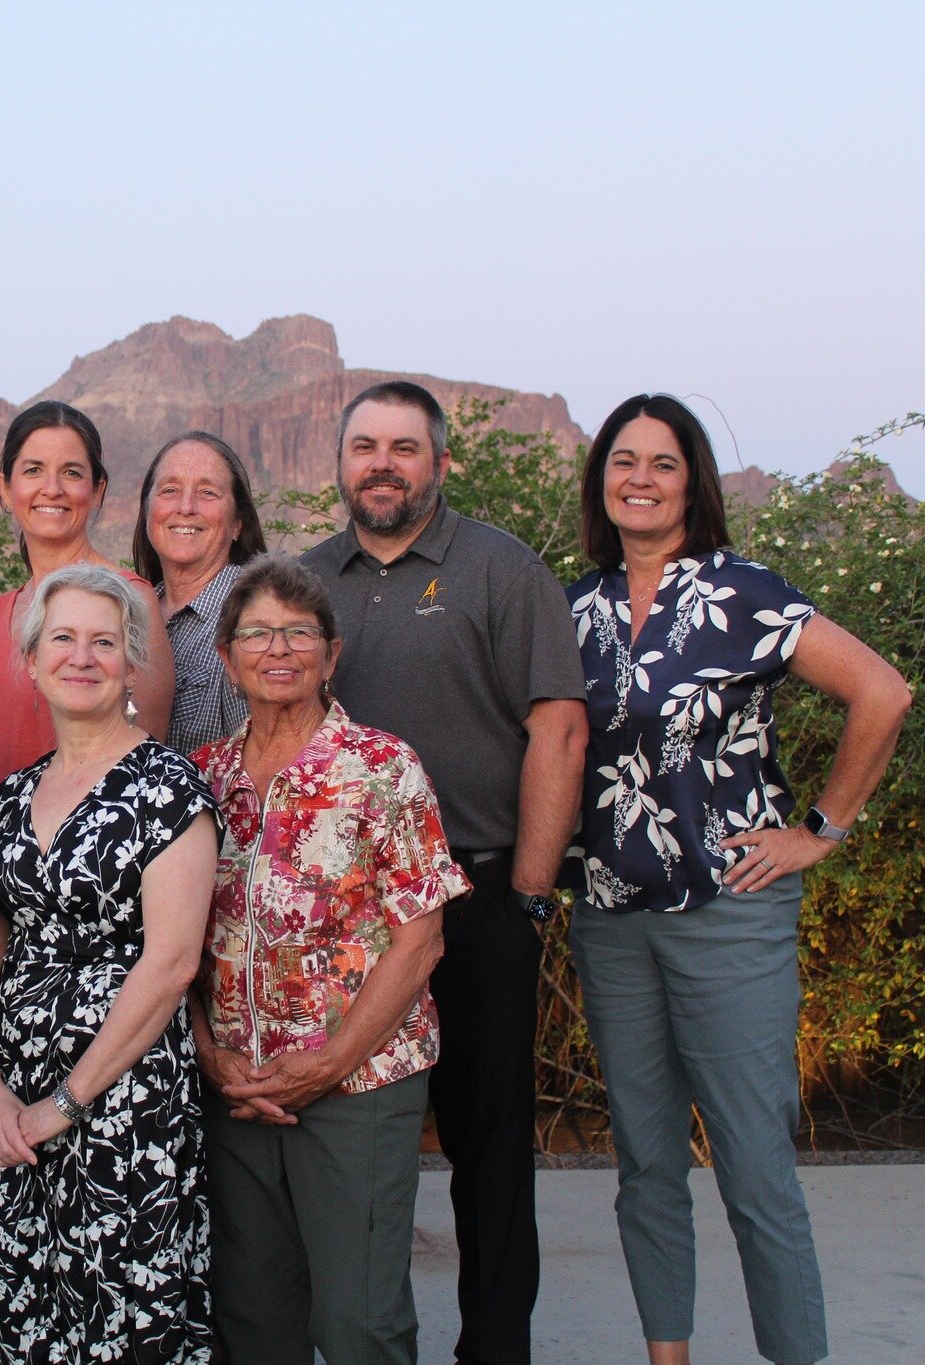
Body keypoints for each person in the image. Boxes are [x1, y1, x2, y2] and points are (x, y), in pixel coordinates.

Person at [564, 395, 910, 1365]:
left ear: (692, 483)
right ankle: (664, 1357)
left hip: (727, 915)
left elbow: (879, 692)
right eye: (621, 460)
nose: (638, 478)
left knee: (754, 1169)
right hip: (608, 917)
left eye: (661, 463)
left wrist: (818, 832)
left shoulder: (738, 594)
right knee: (643, 1166)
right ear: (598, 480)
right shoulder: (572, 611)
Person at [298, 381, 587, 1365]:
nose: (382, 463)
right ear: (338, 463)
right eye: (363, 446)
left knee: (488, 1147)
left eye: (403, 447)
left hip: (474, 896)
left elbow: (556, 725)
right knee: (345, 1142)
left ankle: (494, 1349)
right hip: (338, 924)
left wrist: (526, 900)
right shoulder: (303, 584)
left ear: (439, 464)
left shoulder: (499, 569)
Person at [189, 554, 470, 1365]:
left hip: (360, 1084)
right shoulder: (206, 777)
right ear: (226, 655)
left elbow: (423, 936)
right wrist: (211, 1056)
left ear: (332, 652)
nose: (279, 649)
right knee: (253, 1318)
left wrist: (334, 1060)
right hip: (237, 1086)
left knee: (359, 1322)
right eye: (257, 633)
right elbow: (177, 938)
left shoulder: (383, 767)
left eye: (299, 632)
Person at [0, 563, 219, 1364]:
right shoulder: (10, 795)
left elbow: (171, 964)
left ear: (131, 661)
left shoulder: (170, 789)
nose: (82, 656)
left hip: (125, 1103)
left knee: (128, 1318)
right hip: (13, 1113)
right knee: (32, 1315)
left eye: (103, 641)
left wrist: (68, 1102)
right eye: (63, 639)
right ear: (31, 661)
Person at [0, 401, 173, 798]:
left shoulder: (127, 599)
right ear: (5, 487)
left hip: (71, 847)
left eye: (71, 473)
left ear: (97, 490)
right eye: (33, 470)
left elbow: (145, 754)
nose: (51, 488)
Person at [130, 431, 268, 756]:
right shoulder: (129, 612)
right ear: (148, 511)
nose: (186, 507)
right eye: (169, 490)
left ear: (237, 523)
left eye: (207, 492)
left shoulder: (254, 614)